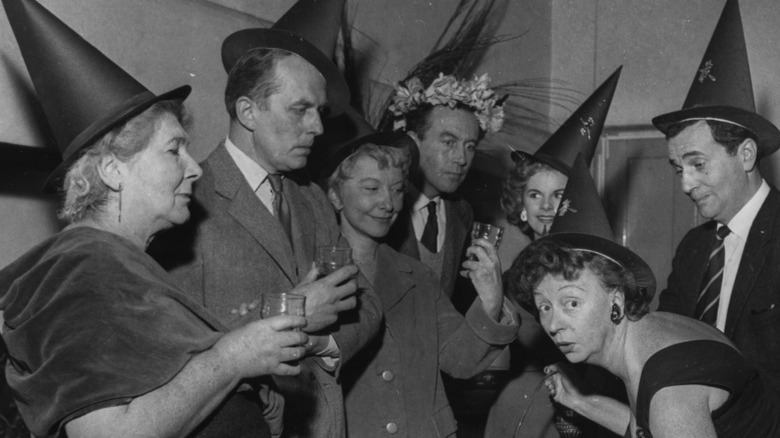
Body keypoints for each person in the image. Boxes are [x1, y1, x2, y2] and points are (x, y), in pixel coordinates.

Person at [0, 1, 303, 436]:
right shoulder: (81, 270)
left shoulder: (114, 262)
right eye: (172, 149)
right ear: (113, 170)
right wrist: (232, 359)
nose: (195, 167)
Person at [149, 1, 381, 436]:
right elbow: (168, 349)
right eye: (300, 110)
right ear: (247, 112)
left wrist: (319, 341)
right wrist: (295, 320)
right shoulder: (187, 202)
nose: (316, 127)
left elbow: (367, 303)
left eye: (320, 112)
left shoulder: (312, 199)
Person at [507, 154, 780, 438]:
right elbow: (647, 429)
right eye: (544, 307)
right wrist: (579, 401)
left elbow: (665, 415)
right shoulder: (648, 337)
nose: (553, 324)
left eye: (571, 303)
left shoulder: (667, 387)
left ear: (616, 299)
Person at [322, 131, 518, 437]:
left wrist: (491, 301)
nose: (387, 203)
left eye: (397, 190)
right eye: (371, 188)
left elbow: (459, 360)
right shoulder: (311, 274)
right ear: (335, 196)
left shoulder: (418, 276)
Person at [652, 0, 780, 396]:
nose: (686, 185)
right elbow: (664, 342)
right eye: (678, 168)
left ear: (745, 154)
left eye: (697, 164)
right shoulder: (694, 248)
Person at [486, 68, 622, 438]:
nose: (546, 207)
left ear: (575, 201)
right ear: (522, 207)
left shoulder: (602, 269)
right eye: (535, 195)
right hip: (525, 407)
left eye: (558, 195)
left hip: (594, 403)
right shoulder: (511, 276)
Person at [385, 73, 505, 308]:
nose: (461, 159)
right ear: (412, 143)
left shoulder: (462, 213)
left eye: (469, 147)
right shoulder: (383, 205)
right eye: (448, 143)